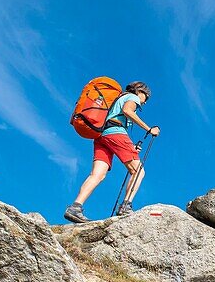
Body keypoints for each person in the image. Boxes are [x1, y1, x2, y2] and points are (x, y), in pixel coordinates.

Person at [64, 81, 160, 222]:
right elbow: (127, 111)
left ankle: (75, 207)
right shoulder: (132, 97)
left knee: (97, 175)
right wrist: (149, 129)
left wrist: (131, 147)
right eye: (146, 97)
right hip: (116, 133)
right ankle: (125, 206)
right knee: (138, 171)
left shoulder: (119, 99)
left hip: (102, 136)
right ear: (140, 91)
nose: (145, 102)